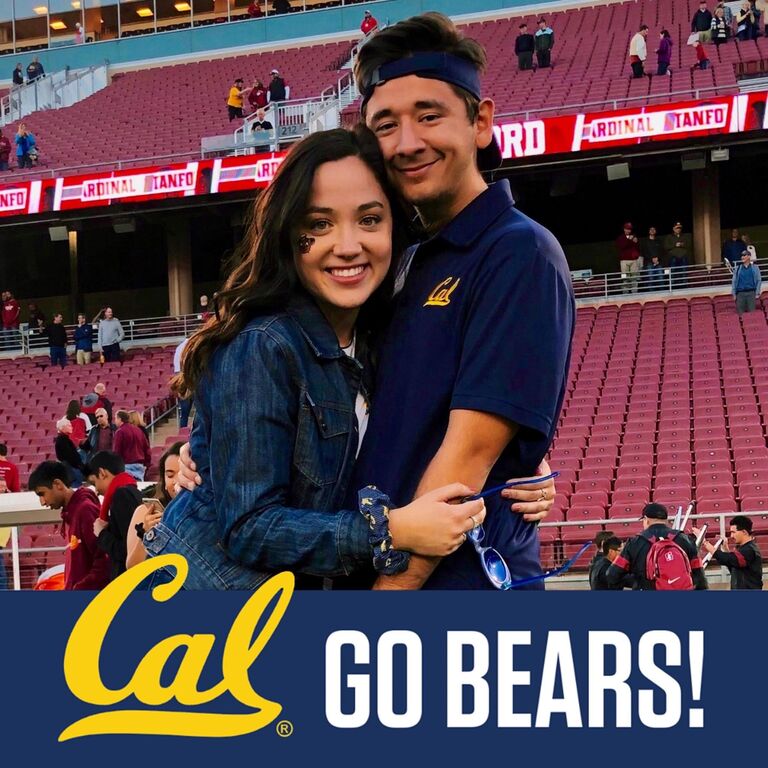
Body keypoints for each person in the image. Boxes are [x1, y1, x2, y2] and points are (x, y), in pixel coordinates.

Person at [174, 13, 565, 591]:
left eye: (429, 116)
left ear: (481, 122)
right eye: (386, 124)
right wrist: (200, 456)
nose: (408, 142)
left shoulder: (518, 252)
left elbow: (462, 465)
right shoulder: (399, 265)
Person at [28, 461, 110, 590]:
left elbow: (104, 558)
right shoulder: (71, 514)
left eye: (42, 494)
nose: (42, 502)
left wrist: (79, 588)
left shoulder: (85, 510)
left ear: (58, 484)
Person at [607, 503, 708, 590]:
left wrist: (636, 580)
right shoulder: (685, 539)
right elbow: (699, 576)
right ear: (666, 520)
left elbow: (612, 575)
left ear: (646, 519)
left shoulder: (634, 543)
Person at [87, 451, 143, 581]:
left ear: (102, 473)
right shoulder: (131, 492)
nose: (96, 490)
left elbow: (127, 550)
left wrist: (101, 534)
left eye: (94, 483)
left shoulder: (121, 495)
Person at [126, 442, 182, 570]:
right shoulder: (146, 512)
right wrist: (146, 534)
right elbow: (132, 568)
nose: (176, 481)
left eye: (182, 473)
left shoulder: (209, 513)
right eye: (170, 475)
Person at [697, 516, 763, 590]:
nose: (731, 536)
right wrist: (725, 549)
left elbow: (728, 559)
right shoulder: (745, 548)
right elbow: (733, 566)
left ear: (744, 532)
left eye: (733, 532)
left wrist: (704, 542)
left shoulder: (749, 550)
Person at [113, 410, 151, 481]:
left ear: (120, 419)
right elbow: (147, 449)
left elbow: (117, 451)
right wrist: (147, 464)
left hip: (126, 466)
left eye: (115, 418)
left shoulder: (120, 432)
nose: (115, 421)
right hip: (140, 466)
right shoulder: (139, 431)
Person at [54, 418, 87, 488]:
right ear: (62, 428)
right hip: (71, 471)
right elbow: (71, 457)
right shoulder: (62, 440)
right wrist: (80, 466)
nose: (71, 427)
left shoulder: (65, 439)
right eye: (69, 425)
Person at [732, 250, 762, 314]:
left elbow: (759, 280)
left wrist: (757, 293)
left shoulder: (755, 268)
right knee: (740, 314)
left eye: (744, 255)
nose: (742, 257)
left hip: (751, 293)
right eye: (742, 256)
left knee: (752, 313)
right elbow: (734, 281)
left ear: (749, 256)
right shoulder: (737, 268)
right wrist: (734, 294)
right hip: (740, 294)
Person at [616, 222, 641, 294]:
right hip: (624, 260)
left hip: (633, 260)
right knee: (624, 278)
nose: (628, 230)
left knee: (634, 277)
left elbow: (637, 248)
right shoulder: (620, 238)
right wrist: (629, 240)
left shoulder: (634, 237)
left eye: (629, 229)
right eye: (627, 229)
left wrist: (636, 242)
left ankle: (634, 292)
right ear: (624, 229)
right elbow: (622, 247)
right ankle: (625, 293)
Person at [173, 338, 192, 428]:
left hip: (180, 375)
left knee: (184, 409)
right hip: (188, 375)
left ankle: (183, 428)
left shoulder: (179, 347)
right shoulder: (190, 345)